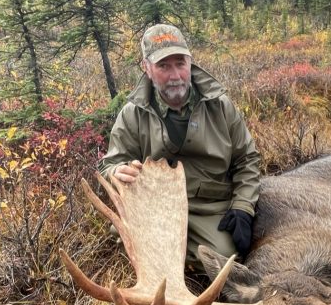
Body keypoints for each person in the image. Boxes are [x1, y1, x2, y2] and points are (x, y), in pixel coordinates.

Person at [99, 24, 261, 268]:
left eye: (180, 63)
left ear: (190, 62)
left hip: (209, 206)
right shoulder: (132, 114)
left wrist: (242, 206)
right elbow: (111, 164)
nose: (175, 75)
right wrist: (116, 172)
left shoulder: (220, 106)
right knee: (127, 238)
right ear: (147, 68)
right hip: (157, 208)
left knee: (224, 264)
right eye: (163, 66)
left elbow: (247, 159)